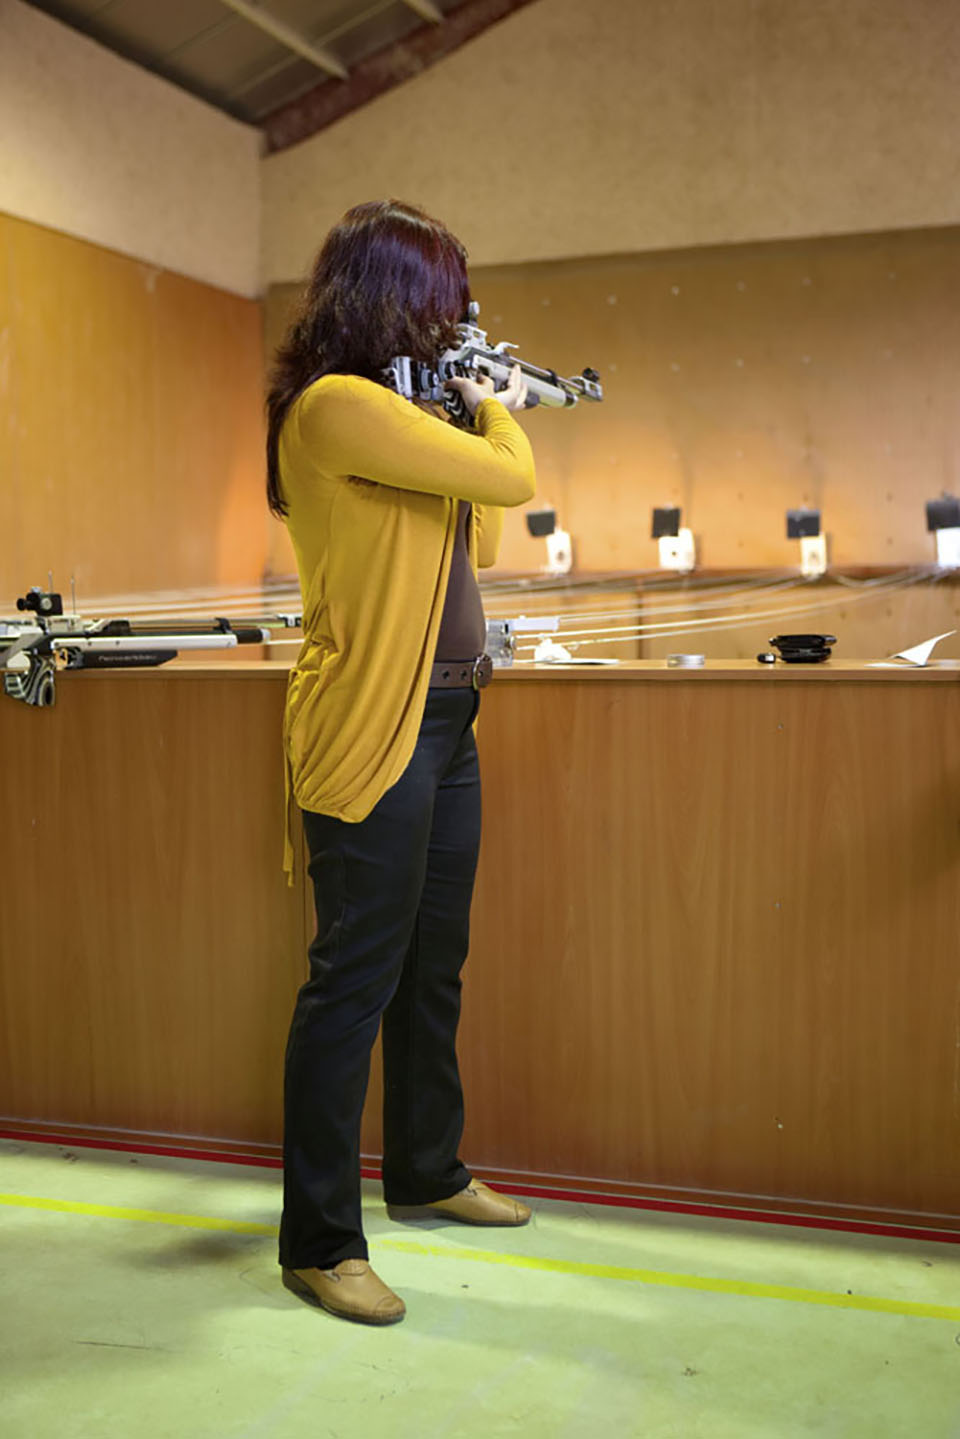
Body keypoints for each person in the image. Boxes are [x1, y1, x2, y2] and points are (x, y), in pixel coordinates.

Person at [265, 199, 537, 1326]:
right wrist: (496, 408)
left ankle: (426, 1165)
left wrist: (466, 420)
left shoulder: (397, 422)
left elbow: (482, 529)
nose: (458, 321)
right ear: (397, 298)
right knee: (353, 983)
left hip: (449, 721)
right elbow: (513, 479)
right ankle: (319, 1239)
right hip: (374, 721)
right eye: (447, 300)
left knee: (433, 966)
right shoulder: (337, 408)